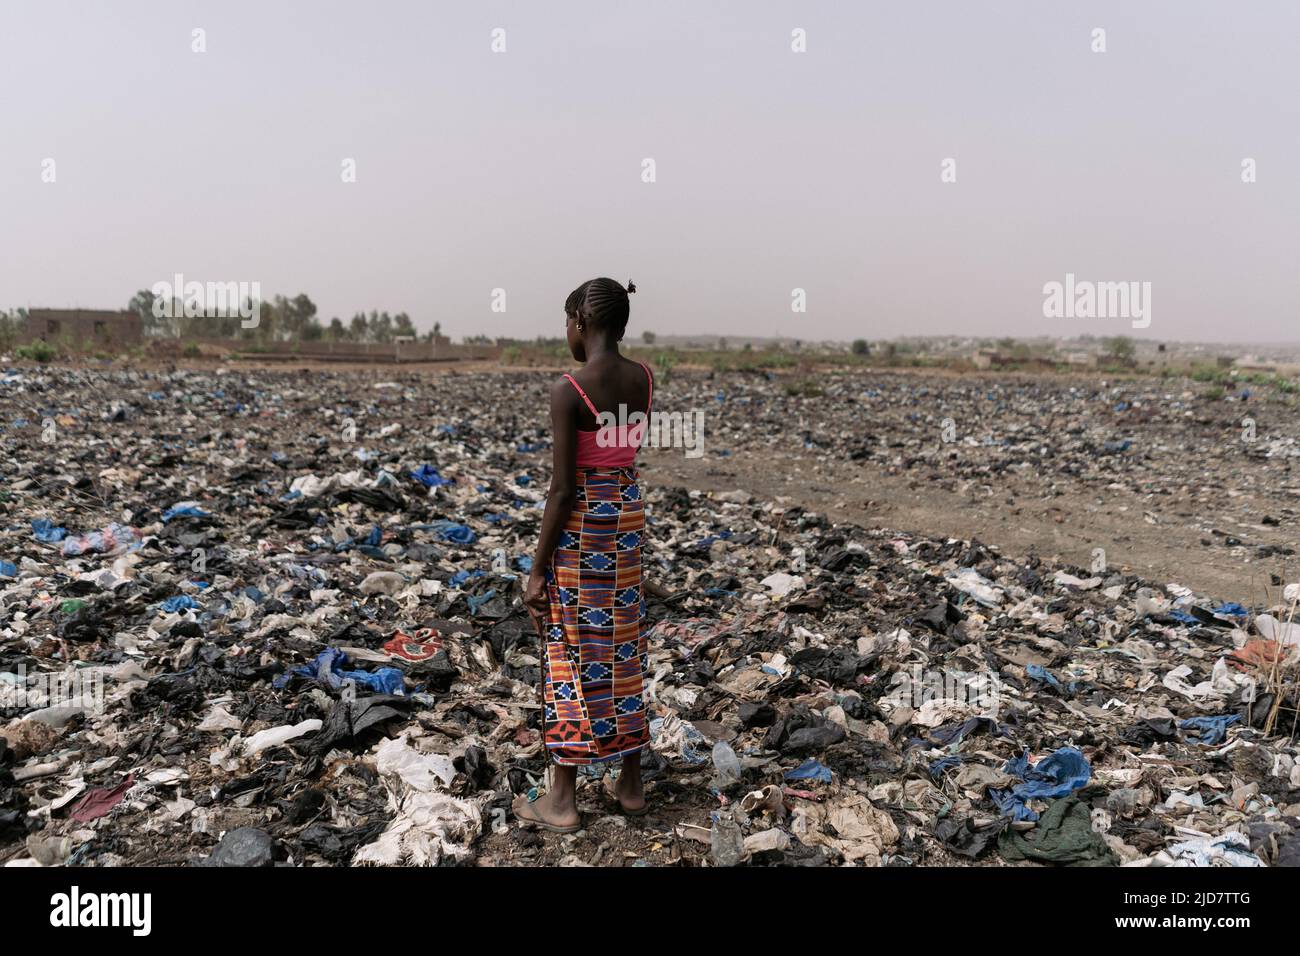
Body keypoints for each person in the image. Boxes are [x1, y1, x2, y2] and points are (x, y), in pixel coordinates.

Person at [514, 277, 653, 833]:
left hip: (584, 522)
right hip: (626, 513)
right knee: (622, 640)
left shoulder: (569, 388)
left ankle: (563, 800)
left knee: (570, 643)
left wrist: (536, 568)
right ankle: (631, 782)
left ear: (579, 320)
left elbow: (563, 488)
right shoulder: (643, 377)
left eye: (566, 322)